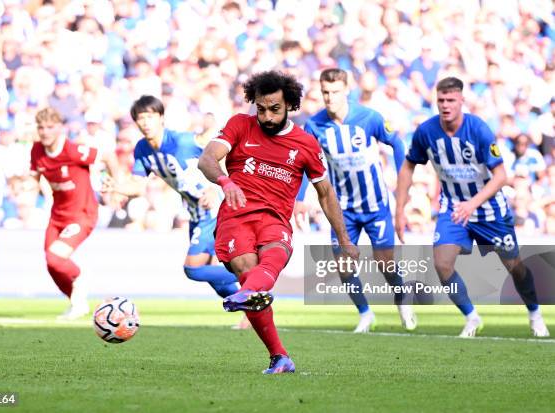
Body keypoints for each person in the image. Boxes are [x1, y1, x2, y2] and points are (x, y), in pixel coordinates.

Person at [198, 70, 358, 374]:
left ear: (290, 106)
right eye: (261, 109)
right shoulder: (239, 126)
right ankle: (279, 354)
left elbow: (326, 194)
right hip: (235, 216)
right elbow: (207, 158)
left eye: (275, 109)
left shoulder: (306, 144)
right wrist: (225, 181)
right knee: (247, 268)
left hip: (274, 219)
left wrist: (345, 240)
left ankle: (251, 296)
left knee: (272, 253)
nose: (267, 117)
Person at [395, 77, 549, 338]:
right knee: (442, 264)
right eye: (441, 100)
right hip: (454, 208)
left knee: (515, 266)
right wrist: (400, 209)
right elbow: (409, 165)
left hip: (489, 210)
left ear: (461, 101)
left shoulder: (478, 129)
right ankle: (472, 316)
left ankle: (534, 312)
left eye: (451, 100)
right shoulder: (426, 132)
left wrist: (472, 204)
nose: (445, 105)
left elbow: (501, 175)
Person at [299, 68, 417, 333]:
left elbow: (397, 144)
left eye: (335, 92)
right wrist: (299, 198)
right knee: (343, 265)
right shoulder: (315, 125)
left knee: (385, 263)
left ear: (347, 90)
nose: (330, 98)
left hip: (375, 205)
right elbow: (307, 162)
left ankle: (401, 297)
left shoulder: (368, 117)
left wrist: (401, 185)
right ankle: (365, 313)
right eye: (325, 92)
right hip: (342, 209)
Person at [102, 95, 242, 306]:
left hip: (215, 209)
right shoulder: (142, 149)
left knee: (193, 269)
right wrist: (118, 187)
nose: (146, 122)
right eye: (141, 118)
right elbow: (138, 186)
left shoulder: (181, 141)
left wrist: (214, 187)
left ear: (161, 118)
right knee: (214, 275)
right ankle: (250, 308)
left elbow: (212, 147)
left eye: (150, 116)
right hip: (196, 212)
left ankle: (253, 277)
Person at [30, 107, 119, 320]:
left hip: (82, 213)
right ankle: (77, 303)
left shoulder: (72, 150)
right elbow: (34, 175)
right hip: (57, 215)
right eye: (41, 127)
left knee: (56, 257)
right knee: (52, 264)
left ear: (60, 128)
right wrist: (27, 186)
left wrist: (115, 184)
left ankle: (79, 280)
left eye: (50, 127)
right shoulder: (36, 150)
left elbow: (107, 156)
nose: (45, 132)